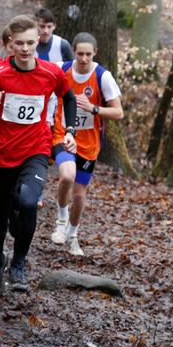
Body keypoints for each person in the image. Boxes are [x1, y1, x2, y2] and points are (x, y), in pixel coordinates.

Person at [0, 15, 77, 297]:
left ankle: (18, 263)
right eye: (19, 44)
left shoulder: (51, 73)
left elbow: (69, 97)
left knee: (27, 201)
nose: (25, 49)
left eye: (30, 43)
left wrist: (70, 130)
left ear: (39, 41)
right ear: (9, 43)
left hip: (35, 150)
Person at [50, 32, 124, 256]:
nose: (83, 59)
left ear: (95, 53)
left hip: (89, 142)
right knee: (66, 177)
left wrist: (93, 108)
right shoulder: (61, 70)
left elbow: (118, 112)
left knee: (80, 194)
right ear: (73, 52)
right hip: (62, 135)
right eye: (80, 54)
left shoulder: (102, 76)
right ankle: (61, 220)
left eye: (88, 54)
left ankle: (73, 235)